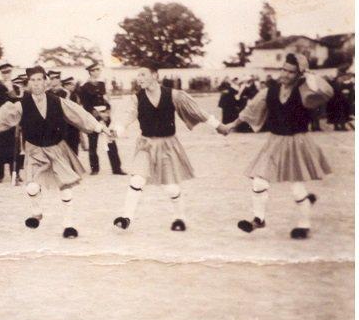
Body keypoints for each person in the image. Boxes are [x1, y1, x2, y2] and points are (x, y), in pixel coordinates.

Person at [0, 66, 112, 238]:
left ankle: (68, 225)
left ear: (46, 81)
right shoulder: (20, 105)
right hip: (34, 150)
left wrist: (101, 128)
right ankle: (36, 210)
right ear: (28, 83)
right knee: (32, 187)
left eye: (40, 79)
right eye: (33, 80)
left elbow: (80, 115)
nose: (37, 83)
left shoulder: (58, 101)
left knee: (66, 190)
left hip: (57, 148)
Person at [225, 53, 334, 239]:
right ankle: (258, 219)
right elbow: (250, 110)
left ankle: (304, 224)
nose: (284, 74)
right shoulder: (270, 91)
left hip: (297, 142)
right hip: (275, 141)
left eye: (291, 72)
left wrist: (310, 75)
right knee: (259, 181)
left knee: (297, 188)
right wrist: (231, 126)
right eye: (283, 69)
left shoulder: (305, 92)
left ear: (299, 75)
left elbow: (326, 92)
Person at [111, 62, 230, 232]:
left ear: (155, 75)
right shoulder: (136, 98)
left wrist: (219, 126)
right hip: (145, 144)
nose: (139, 78)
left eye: (143, 74)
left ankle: (179, 217)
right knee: (137, 179)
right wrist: (117, 129)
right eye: (138, 75)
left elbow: (197, 111)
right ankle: (126, 218)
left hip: (167, 144)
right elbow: (127, 117)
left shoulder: (174, 95)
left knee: (171, 188)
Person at [80, 62, 124, 175]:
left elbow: (106, 100)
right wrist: (99, 115)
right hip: (93, 117)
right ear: (90, 72)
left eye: (98, 70)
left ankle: (117, 168)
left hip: (105, 116)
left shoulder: (102, 84)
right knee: (93, 143)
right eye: (95, 70)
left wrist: (108, 111)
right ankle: (95, 169)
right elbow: (86, 105)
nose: (98, 72)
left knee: (111, 142)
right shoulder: (84, 87)